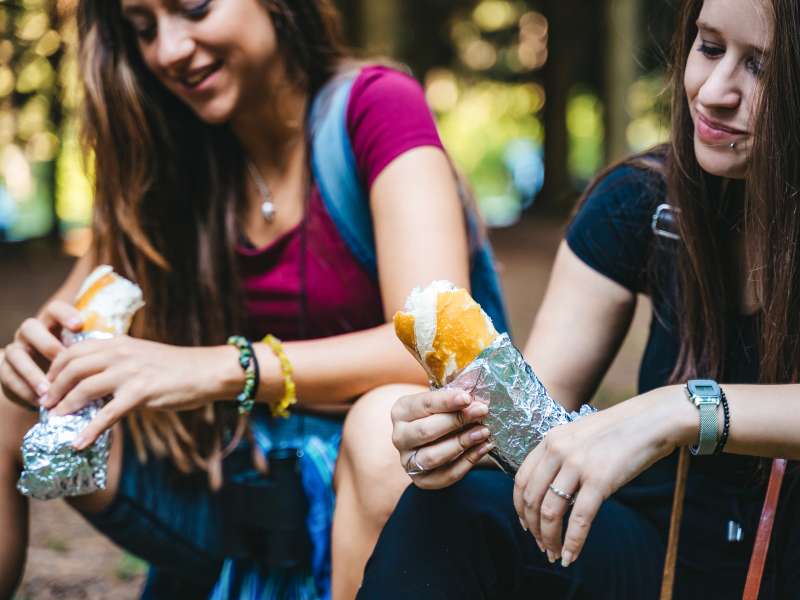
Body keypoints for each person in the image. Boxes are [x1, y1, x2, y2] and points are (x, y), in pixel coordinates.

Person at [0, 0, 507, 598]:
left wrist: (225, 368)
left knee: (380, 434)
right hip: (243, 506)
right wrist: (43, 359)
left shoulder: (377, 106)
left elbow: (437, 349)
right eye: (143, 29)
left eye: (194, 8)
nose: (168, 49)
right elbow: (64, 331)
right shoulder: (169, 156)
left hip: (385, 504)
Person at [357, 0, 800, 597]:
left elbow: (674, 414)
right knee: (460, 506)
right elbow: (534, 431)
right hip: (657, 564)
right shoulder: (641, 203)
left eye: (763, 68)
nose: (715, 91)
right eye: (711, 47)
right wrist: (455, 440)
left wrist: (680, 410)